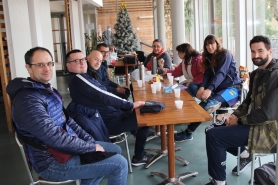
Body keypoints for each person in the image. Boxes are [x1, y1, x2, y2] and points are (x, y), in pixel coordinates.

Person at [6, 47, 128, 185]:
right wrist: (90, 148)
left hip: (66, 148)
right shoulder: (28, 101)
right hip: (52, 162)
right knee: (119, 164)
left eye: (49, 63)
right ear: (28, 68)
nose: (47, 69)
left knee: (115, 149)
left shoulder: (45, 90)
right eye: (40, 65)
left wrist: (89, 141)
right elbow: (54, 138)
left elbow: (68, 121)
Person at [204, 35, 278, 185]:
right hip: (254, 122)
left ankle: (218, 182)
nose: (256, 55)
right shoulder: (257, 74)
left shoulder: (275, 75)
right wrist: (234, 116)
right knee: (210, 128)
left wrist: (240, 120)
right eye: (252, 51)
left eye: (260, 51)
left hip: (269, 130)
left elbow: (267, 113)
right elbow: (248, 101)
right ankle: (246, 155)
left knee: (214, 136)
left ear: (270, 52)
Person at [65, 49, 154, 166]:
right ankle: (139, 157)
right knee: (145, 120)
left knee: (138, 115)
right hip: (109, 121)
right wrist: (130, 104)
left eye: (82, 59)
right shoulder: (78, 78)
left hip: (109, 116)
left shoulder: (83, 76)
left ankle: (136, 136)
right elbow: (103, 95)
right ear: (68, 66)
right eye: (77, 61)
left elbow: (104, 90)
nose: (82, 62)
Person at [174, 35, 241, 142]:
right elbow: (207, 75)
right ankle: (206, 100)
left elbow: (221, 74)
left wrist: (209, 89)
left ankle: (188, 133)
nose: (210, 47)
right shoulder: (208, 57)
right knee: (192, 86)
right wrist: (202, 87)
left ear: (217, 43)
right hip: (217, 89)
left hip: (231, 89)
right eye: (207, 44)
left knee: (207, 104)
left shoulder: (225, 54)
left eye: (212, 43)